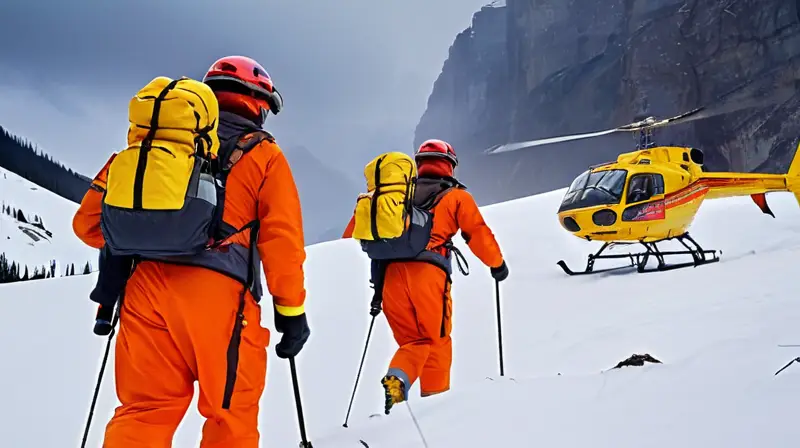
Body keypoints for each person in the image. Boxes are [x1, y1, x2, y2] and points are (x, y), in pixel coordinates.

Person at [72, 55, 309, 447]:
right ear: (260, 104)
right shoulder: (265, 156)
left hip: (143, 295)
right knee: (228, 415)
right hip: (219, 299)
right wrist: (292, 312)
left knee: (144, 412)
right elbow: (282, 241)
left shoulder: (145, 148)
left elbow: (88, 226)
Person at [342, 139, 509, 414]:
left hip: (389, 280)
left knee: (413, 342)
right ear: (450, 166)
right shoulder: (456, 197)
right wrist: (497, 264)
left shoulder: (395, 198)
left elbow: (355, 233)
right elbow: (477, 232)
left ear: (418, 164)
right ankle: (437, 407)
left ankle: (398, 379)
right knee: (438, 340)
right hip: (429, 277)